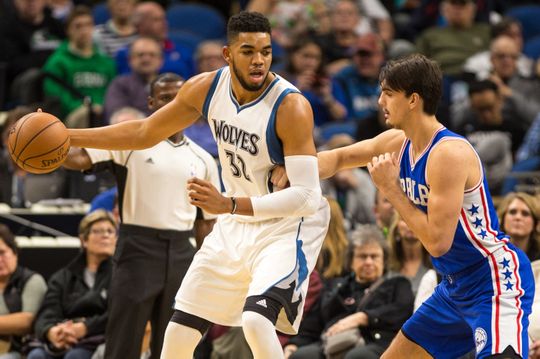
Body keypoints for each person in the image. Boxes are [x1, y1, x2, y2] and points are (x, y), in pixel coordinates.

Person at [64, 11, 330, 359]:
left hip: (284, 227)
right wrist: (65, 134)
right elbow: (144, 133)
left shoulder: (291, 106)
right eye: (248, 51)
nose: (258, 61)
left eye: (265, 52)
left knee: (255, 322)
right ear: (227, 54)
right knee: (177, 335)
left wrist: (228, 205)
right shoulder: (205, 88)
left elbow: (309, 197)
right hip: (234, 224)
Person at [316, 53, 534, 358]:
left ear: (413, 100)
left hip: (492, 281)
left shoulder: (449, 153)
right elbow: (338, 158)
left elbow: (437, 242)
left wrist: (391, 189)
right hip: (453, 287)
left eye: (388, 93)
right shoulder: (397, 142)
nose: (380, 101)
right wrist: (290, 167)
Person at [63, 73, 220, 359]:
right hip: (138, 247)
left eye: (179, 99)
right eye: (165, 99)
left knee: (176, 344)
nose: (174, 105)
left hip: (184, 251)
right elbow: (82, 158)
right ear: (151, 103)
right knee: (124, 338)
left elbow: (206, 221)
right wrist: (51, 149)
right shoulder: (131, 141)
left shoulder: (204, 159)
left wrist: (206, 267)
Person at [284, 224, 414, 359]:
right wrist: (294, 345)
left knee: (357, 356)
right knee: (300, 356)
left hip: (375, 342)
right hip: (333, 343)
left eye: (374, 256)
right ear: (351, 261)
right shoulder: (337, 287)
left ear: (384, 260)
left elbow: (402, 311)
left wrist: (364, 317)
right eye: (362, 256)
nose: (368, 262)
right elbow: (313, 324)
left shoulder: (397, 284)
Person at [27, 210, 117, 359]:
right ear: (84, 240)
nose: (105, 235)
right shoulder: (63, 276)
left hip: (100, 339)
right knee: (36, 356)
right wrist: (51, 332)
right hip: (64, 338)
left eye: (110, 231)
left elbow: (118, 314)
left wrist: (85, 327)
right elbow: (46, 314)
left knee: (75, 357)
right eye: (98, 231)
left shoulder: (121, 276)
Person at [0, 224, 47, 359]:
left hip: (20, 350)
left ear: (15, 252)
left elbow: (26, 322)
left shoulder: (31, 280)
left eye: (2, 253)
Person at [497, 192, 540, 261]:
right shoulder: (491, 254)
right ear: (502, 219)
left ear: (536, 223)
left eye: (525, 214)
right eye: (512, 212)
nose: (518, 217)